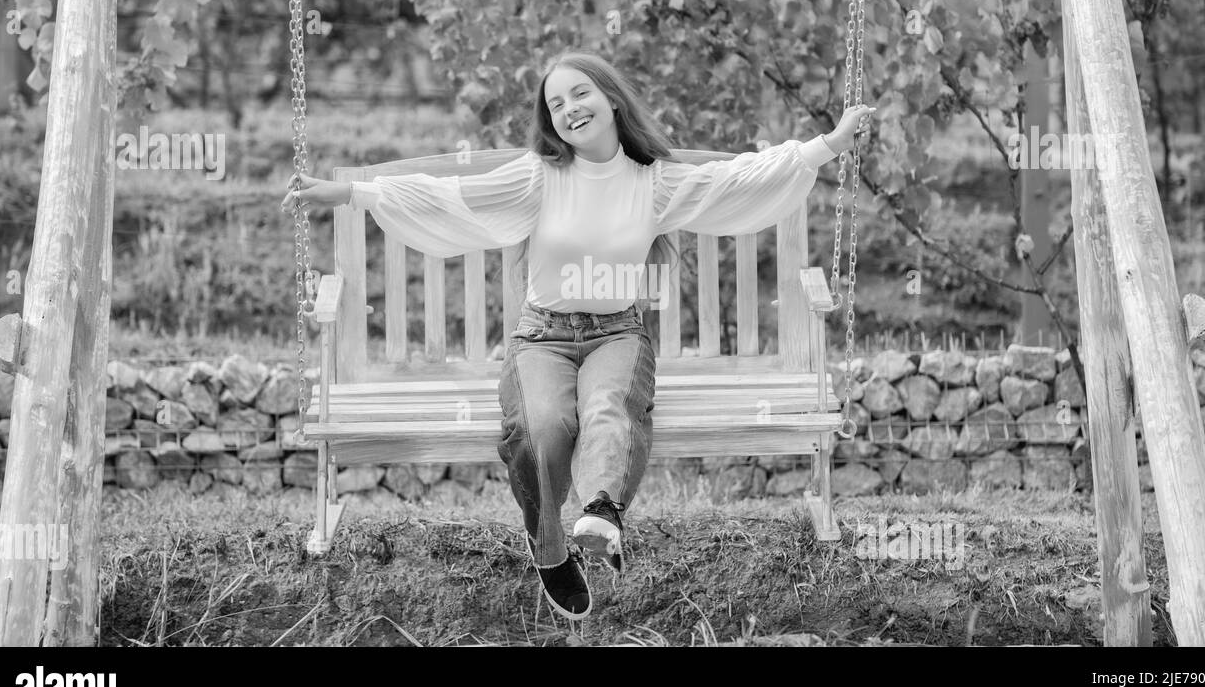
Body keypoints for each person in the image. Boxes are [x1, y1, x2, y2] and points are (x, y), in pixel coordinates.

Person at [282, 50, 875, 621]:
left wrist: (832, 142)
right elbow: (452, 196)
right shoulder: (540, 178)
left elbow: (741, 177)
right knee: (544, 425)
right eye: (555, 104)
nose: (569, 109)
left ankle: (600, 513)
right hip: (542, 337)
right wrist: (352, 193)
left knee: (607, 405)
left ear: (612, 99)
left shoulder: (655, 184)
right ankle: (549, 550)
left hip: (617, 334)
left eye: (580, 93)